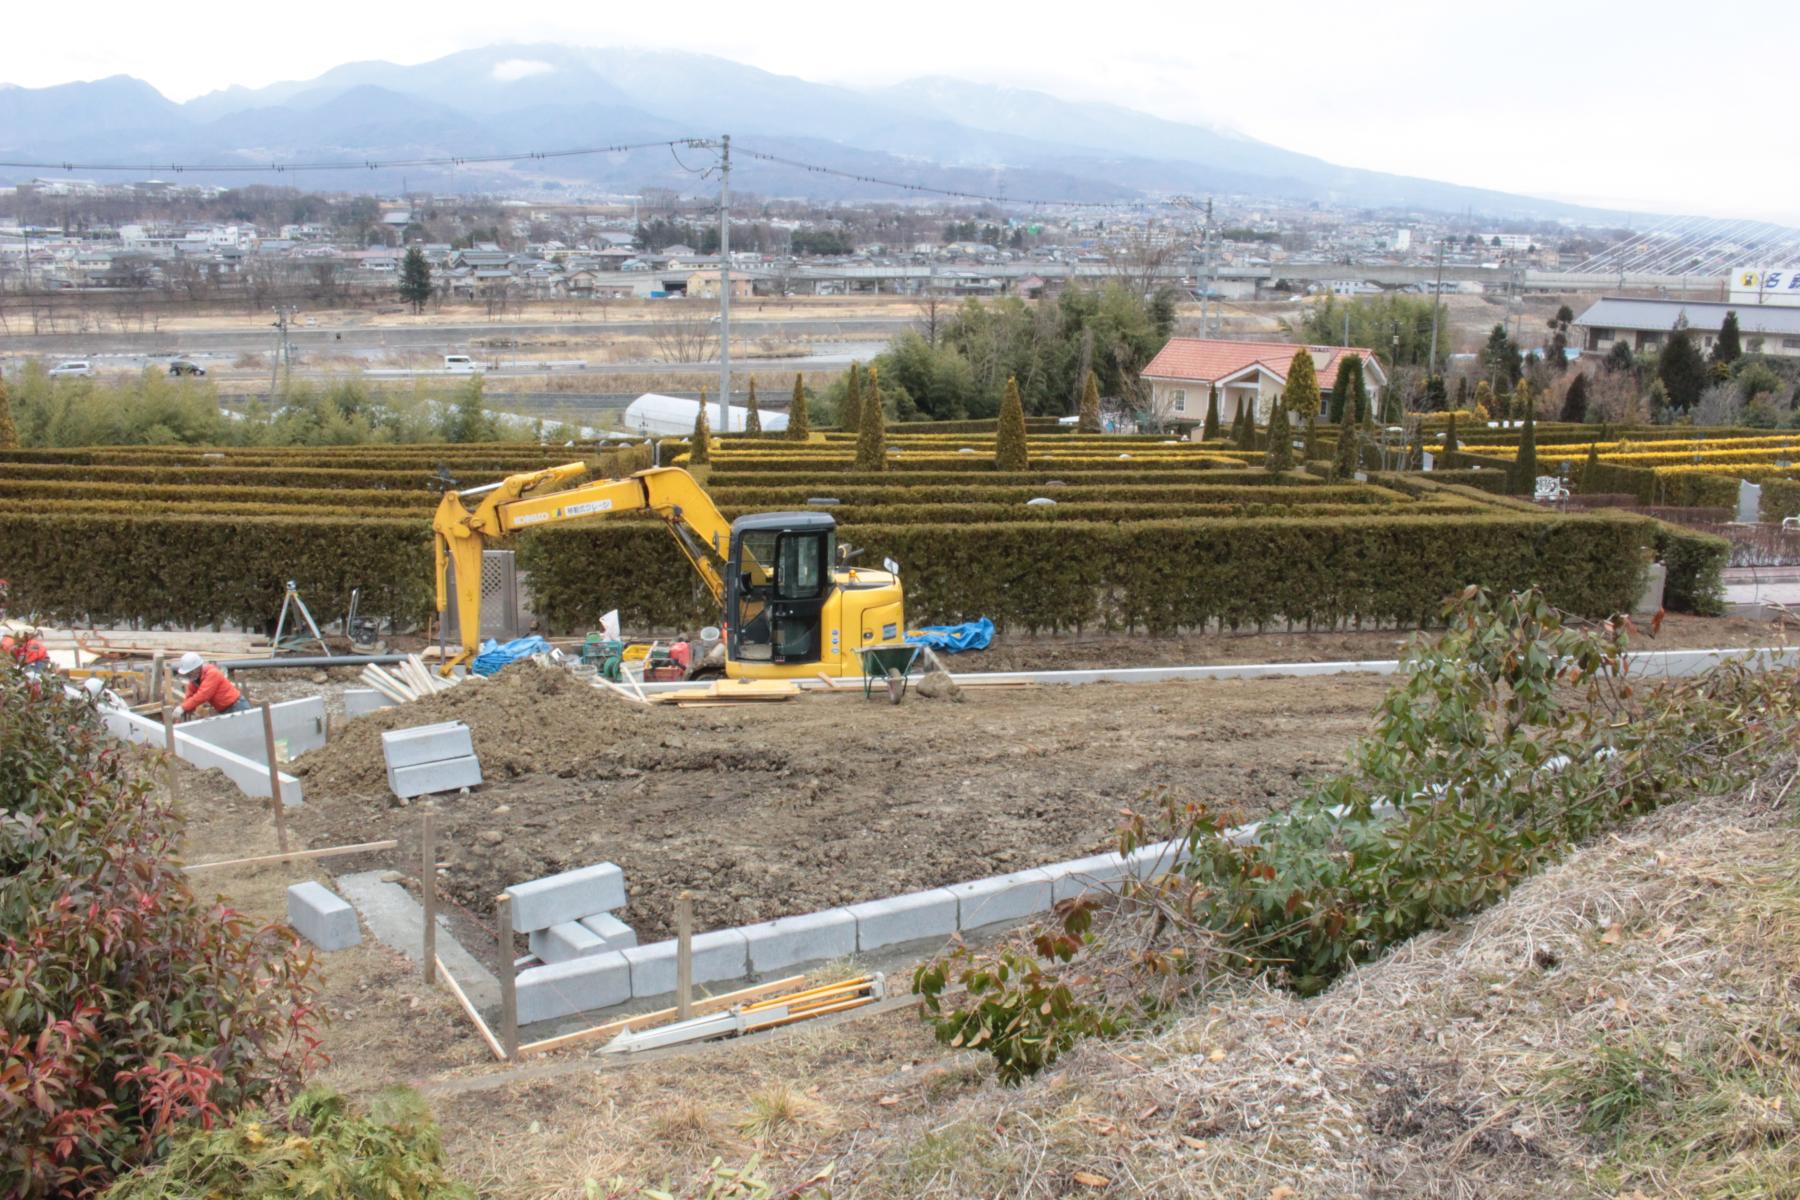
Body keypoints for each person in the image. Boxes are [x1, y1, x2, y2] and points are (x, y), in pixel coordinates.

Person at [172, 651, 250, 719]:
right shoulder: (195, 680)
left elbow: (203, 695)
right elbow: (189, 697)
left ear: (198, 668)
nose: (188, 675)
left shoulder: (212, 673)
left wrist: (183, 707)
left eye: (190, 672)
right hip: (224, 709)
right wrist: (184, 709)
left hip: (237, 707)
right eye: (187, 673)